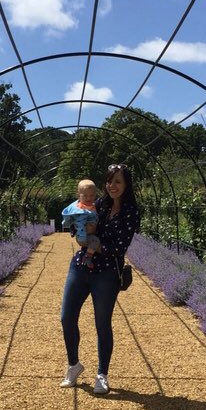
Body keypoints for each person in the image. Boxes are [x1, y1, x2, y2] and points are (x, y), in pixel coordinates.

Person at [59, 164, 141, 395]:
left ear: (126, 185)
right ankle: (74, 366)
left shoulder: (131, 212)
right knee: (66, 317)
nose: (112, 186)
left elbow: (120, 246)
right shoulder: (99, 204)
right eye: (109, 181)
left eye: (118, 182)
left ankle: (102, 374)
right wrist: (78, 230)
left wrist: (97, 245)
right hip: (81, 266)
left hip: (106, 272)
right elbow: (79, 225)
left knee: (102, 324)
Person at [61, 179, 101, 269]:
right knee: (96, 241)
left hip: (89, 234)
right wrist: (83, 235)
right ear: (79, 195)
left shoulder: (94, 206)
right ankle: (87, 257)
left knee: (96, 240)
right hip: (83, 236)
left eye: (91, 195)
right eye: (85, 195)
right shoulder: (79, 209)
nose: (88, 198)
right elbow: (77, 222)